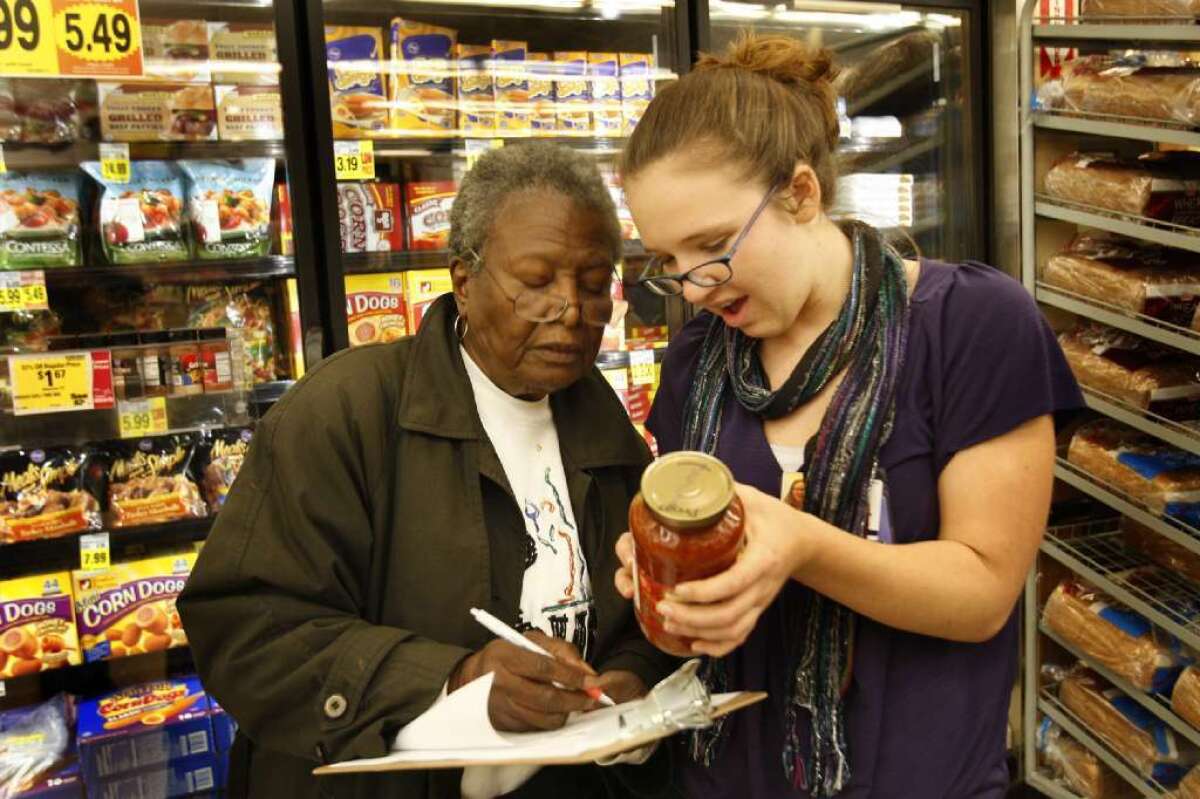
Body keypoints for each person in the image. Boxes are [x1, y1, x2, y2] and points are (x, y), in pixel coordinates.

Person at [612, 34, 1083, 799]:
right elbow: (691, 531)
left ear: (801, 193)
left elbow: (984, 591)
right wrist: (658, 565)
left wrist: (802, 545)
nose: (694, 288)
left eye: (710, 246)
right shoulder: (700, 358)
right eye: (668, 262)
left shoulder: (969, 326)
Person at [178, 142, 677, 799]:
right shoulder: (346, 410)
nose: (572, 311)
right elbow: (246, 630)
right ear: (463, 280)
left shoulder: (603, 422)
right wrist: (453, 679)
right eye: (536, 281)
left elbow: (641, 613)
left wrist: (629, 682)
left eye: (593, 285)